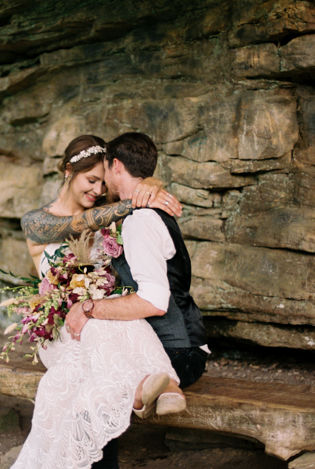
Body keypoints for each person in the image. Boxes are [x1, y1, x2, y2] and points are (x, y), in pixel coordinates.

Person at [12, 135, 186, 469]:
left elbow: (129, 179)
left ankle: (161, 387)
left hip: (103, 323)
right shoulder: (37, 221)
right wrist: (135, 200)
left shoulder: (108, 210)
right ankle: (149, 386)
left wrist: (148, 184)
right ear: (68, 172)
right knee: (98, 327)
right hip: (65, 328)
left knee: (108, 348)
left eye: (101, 182)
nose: (96, 190)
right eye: (90, 181)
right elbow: (74, 226)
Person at [65, 132, 210, 465]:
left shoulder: (140, 221)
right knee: (85, 373)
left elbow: (155, 301)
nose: (100, 187)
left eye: (103, 175)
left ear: (116, 166)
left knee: (93, 387)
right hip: (171, 345)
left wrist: (88, 308)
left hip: (178, 352)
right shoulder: (135, 212)